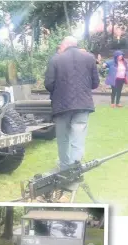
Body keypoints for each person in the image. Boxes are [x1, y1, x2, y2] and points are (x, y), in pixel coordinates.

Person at [44, 36, 100, 172]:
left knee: (63, 139)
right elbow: (95, 83)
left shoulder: (56, 59)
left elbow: (48, 84)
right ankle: (75, 169)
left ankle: (64, 167)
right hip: (83, 105)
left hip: (61, 106)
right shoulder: (89, 58)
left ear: (65, 45)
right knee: (78, 139)